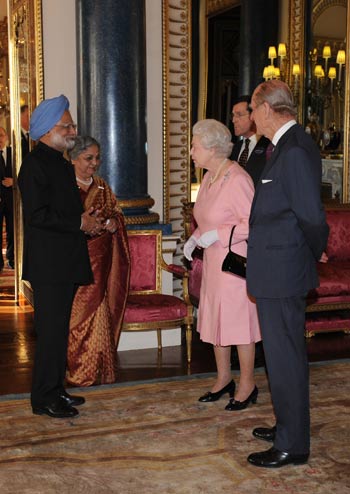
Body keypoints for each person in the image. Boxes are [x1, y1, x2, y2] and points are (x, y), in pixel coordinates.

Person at [246, 80, 329, 468]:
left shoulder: (294, 148)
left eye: (251, 109)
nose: (250, 117)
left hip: (284, 270)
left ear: (266, 109)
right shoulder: (284, 145)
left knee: (285, 359)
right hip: (276, 269)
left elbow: (311, 216)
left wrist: (312, 253)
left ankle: (292, 445)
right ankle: (287, 426)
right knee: (281, 357)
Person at [18, 95, 103, 418]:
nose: (72, 130)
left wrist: (88, 221)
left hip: (64, 260)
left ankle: (56, 389)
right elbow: (37, 215)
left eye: (72, 125)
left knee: (59, 332)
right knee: (51, 333)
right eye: (65, 125)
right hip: (49, 266)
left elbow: (67, 213)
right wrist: (77, 222)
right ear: (45, 130)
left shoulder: (61, 163)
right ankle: (43, 398)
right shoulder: (35, 164)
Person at [184, 119, 261, 410]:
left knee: (239, 326)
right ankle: (223, 378)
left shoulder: (238, 178)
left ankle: (247, 384)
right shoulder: (209, 177)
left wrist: (219, 235)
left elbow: (252, 224)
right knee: (217, 321)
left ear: (213, 148)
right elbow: (206, 219)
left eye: (195, 146)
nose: (191, 151)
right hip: (214, 264)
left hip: (234, 264)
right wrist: (195, 238)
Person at [66, 136, 130, 386]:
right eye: (88, 158)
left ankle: (102, 370)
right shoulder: (66, 187)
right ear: (73, 159)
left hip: (102, 262)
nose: (95, 163)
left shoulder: (102, 186)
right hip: (75, 261)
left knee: (99, 313)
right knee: (77, 317)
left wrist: (114, 223)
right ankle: (79, 372)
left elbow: (116, 214)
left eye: (97, 158)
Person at [230, 95, 270, 187]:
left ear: (253, 115)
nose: (234, 120)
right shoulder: (234, 149)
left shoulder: (269, 146)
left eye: (239, 115)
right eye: (233, 115)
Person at [0, 127, 14, 270]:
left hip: (11, 199)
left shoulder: (13, 153)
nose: (0, 139)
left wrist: (13, 182)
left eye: (2, 135)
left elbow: (21, 173)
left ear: (6, 137)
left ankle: (11, 259)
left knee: (12, 230)